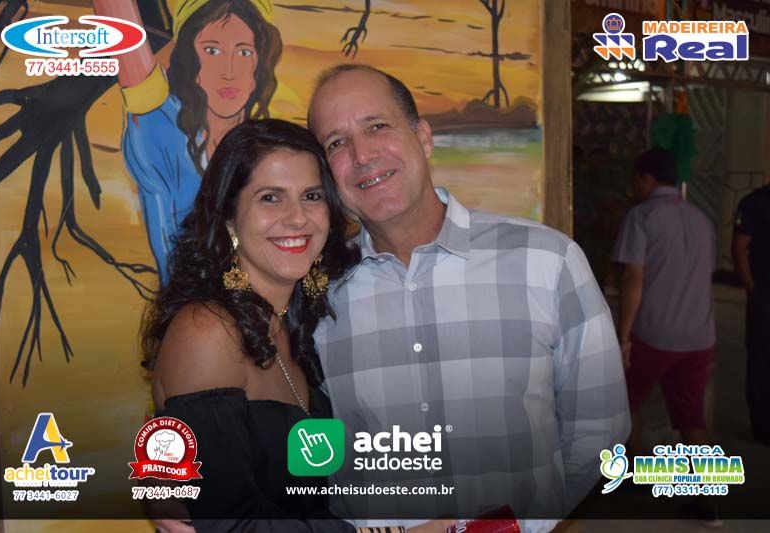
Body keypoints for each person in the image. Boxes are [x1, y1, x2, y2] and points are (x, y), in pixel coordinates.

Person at [306, 64, 630, 531]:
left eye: (377, 126)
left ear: (423, 137)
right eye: (336, 143)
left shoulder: (548, 261)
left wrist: (520, 527)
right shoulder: (319, 294)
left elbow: (600, 431)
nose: (361, 154)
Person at [142, 118, 451, 533]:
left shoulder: (302, 326)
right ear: (229, 218)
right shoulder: (208, 331)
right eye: (270, 198)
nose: (297, 218)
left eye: (312, 196)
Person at [92, 0, 284, 284]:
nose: (229, 71)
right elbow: (120, 21)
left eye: (244, 52)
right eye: (212, 50)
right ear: (188, 57)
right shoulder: (160, 127)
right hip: (193, 304)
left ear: (259, 65)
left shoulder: (271, 148)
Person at [612, 147, 716, 453]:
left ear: (646, 179)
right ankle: (707, 484)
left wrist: (623, 338)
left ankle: (635, 470)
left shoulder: (641, 216)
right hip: (700, 336)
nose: (633, 188)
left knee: (623, 403)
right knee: (691, 418)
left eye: (635, 181)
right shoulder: (702, 219)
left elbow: (632, 278)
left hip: (654, 334)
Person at [732, 183, 770, 446]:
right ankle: (763, 426)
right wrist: (752, 287)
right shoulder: (756, 202)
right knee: (761, 360)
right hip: (764, 298)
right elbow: (739, 248)